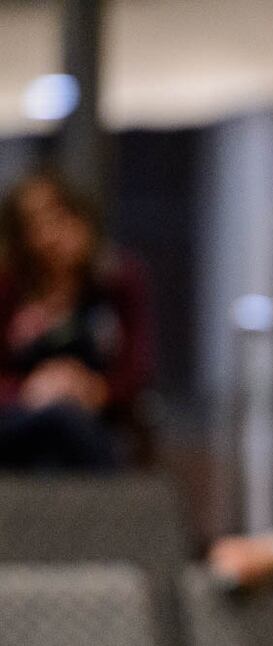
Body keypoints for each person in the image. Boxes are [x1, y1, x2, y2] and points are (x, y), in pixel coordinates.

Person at [0, 170, 154, 469]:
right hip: (21, 420)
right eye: (33, 224)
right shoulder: (9, 289)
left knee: (64, 431)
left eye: (57, 217)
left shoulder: (118, 283)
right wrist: (30, 389)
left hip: (96, 425)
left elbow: (137, 371)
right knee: (51, 427)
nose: (48, 235)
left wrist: (94, 389)